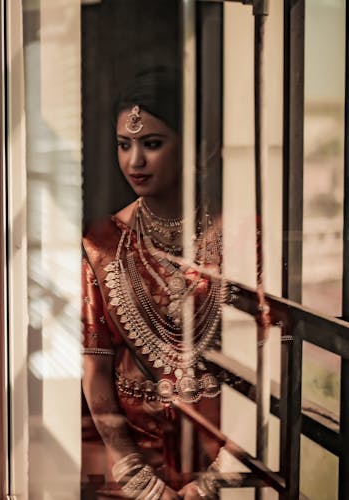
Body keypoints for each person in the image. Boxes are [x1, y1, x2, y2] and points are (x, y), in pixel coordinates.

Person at [81, 68, 232, 499]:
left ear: (201, 151)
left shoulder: (241, 239)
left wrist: (219, 478)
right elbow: (96, 367)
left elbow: (267, 374)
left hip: (229, 463)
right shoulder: (101, 244)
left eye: (152, 144)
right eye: (124, 145)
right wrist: (135, 475)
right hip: (132, 469)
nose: (135, 161)